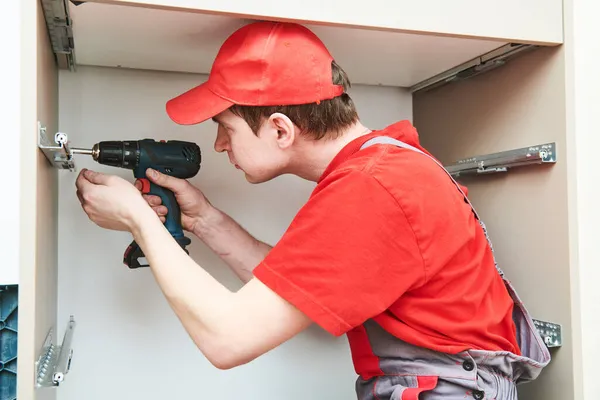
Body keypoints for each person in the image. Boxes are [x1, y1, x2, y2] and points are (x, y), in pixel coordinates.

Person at [75, 21, 550, 399]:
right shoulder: (384, 163)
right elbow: (299, 295)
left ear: (281, 129)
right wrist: (203, 219)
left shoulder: (372, 189)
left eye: (226, 128)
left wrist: (136, 218)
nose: (219, 145)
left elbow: (227, 339)